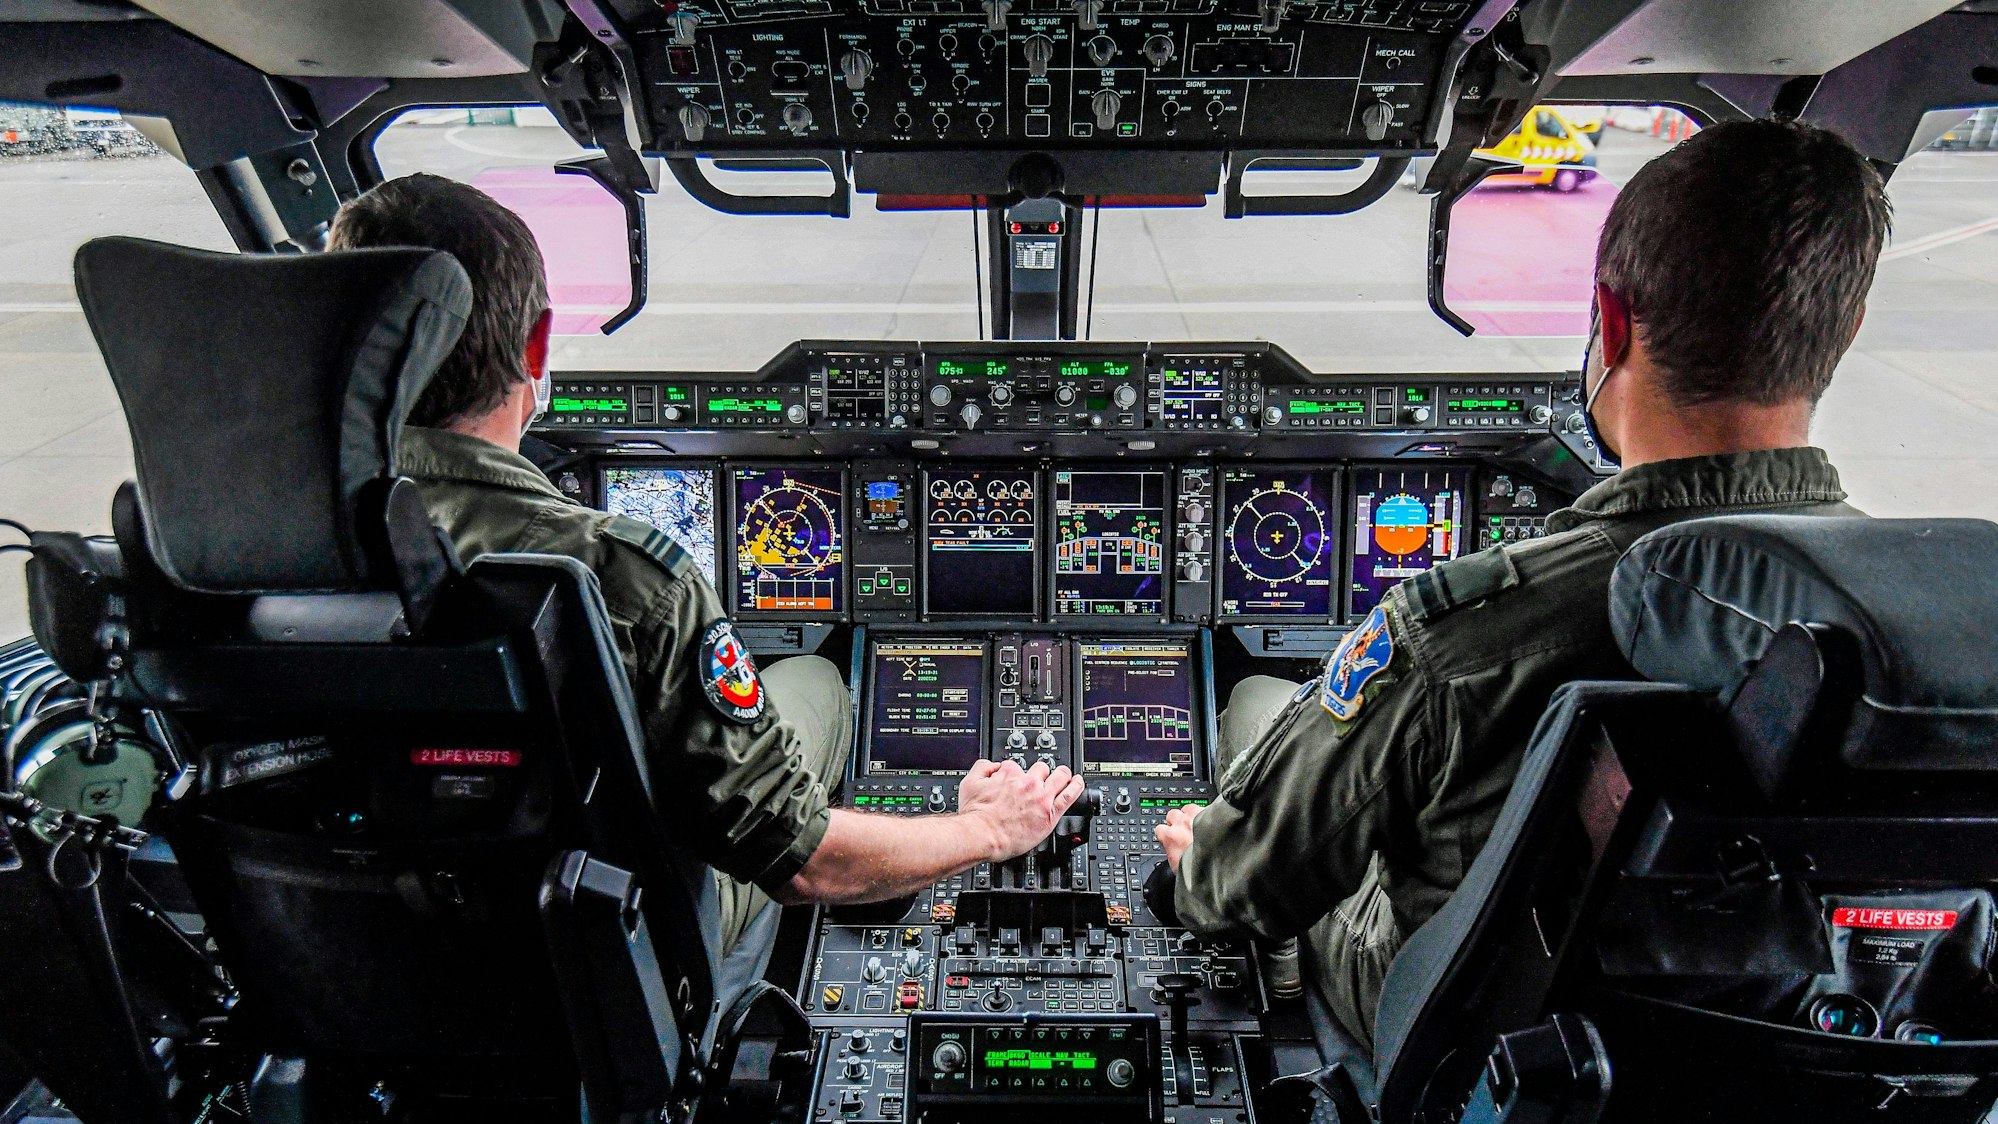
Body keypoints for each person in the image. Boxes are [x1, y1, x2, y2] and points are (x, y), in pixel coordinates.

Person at [1153, 118, 1890, 1048]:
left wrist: (1199, 864)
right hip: (1805, 1054)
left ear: (1612, 321)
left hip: (1493, 1045)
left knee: (1261, 703)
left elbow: (1250, 888)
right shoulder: (1920, 633)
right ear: (1846, 329)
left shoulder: (1466, 633)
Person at [328, 173, 1083, 955]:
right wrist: (984, 828)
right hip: (602, 955)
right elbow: (805, 862)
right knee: (817, 681)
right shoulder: (624, 577)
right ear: (536, 346)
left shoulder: (222, 562)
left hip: (341, 953)